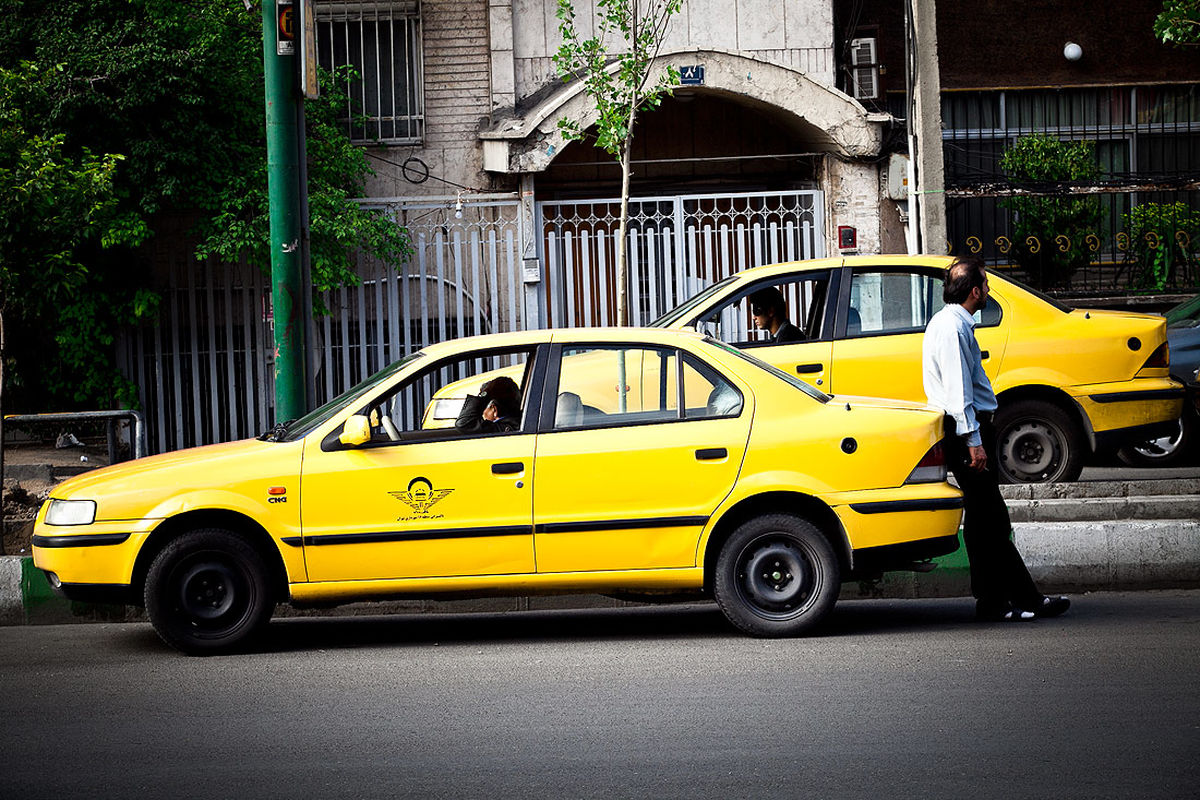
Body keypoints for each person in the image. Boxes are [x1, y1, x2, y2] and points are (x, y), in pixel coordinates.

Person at [922, 256, 1070, 622]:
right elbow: (959, 393)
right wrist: (974, 441)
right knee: (992, 519)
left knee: (981, 521)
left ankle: (991, 600)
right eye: (986, 285)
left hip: (966, 430)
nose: (987, 291)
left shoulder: (949, 323)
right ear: (974, 291)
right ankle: (1026, 599)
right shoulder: (953, 328)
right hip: (966, 433)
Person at [455, 376, 522, 434]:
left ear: (494, 409)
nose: (483, 414)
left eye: (484, 408)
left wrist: (484, 395)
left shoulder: (502, 430)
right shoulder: (516, 424)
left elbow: (463, 424)